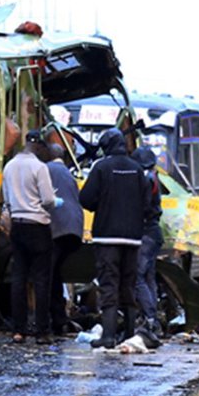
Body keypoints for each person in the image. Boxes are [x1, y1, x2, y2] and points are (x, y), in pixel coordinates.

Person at [79, 128, 152, 349]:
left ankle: (108, 335)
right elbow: (147, 204)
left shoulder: (101, 167)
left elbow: (86, 199)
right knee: (128, 284)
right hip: (132, 239)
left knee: (109, 284)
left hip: (107, 238)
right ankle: (129, 334)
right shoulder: (137, 169)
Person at [1, 129, 57, 344]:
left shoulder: (9, 166)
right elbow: (49, 200)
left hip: (17, 226)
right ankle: (42, 332)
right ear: (39, 147)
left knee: (19, 278)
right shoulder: (39, 167)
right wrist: (49, 204)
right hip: (38, 226)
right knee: (42, 280)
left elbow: (6, 199)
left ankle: (19, 330)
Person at [45, 142, 83, 335]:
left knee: (48, 274)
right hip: (74, 227)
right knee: (56, 273)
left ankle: (53, 320)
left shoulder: (46, 169)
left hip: (57, 227)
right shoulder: (68, 173)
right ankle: (59, 317)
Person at [132, 146, 164, 337]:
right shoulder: (154, 177)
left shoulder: (147, 179)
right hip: (154, 233)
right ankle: (153, 319)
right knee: (148, 277)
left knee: (138, 277)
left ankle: (150, 318)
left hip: (146, 233)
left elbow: (142, 207)